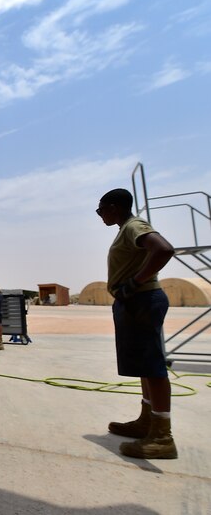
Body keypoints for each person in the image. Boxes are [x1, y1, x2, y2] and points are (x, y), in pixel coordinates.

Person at [97, 188, 177, 459]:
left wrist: (135, 282)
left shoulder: (134, 226)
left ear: (114, 207)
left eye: (101, 211)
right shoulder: (126, 229)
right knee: (145, 365)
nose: (100, 216)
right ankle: (148, 421)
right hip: (134, 302)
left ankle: (162, 436)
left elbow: (164, 249)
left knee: (153, 367)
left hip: (142, 299)